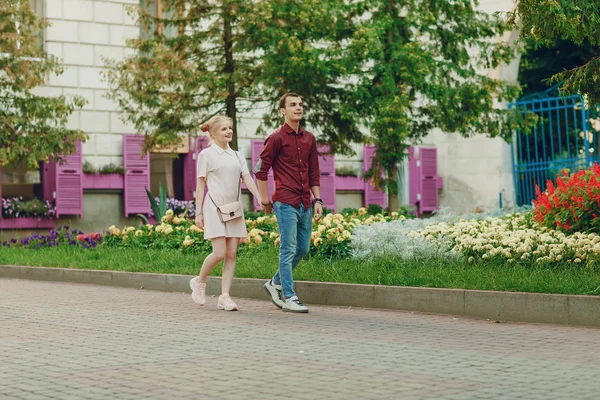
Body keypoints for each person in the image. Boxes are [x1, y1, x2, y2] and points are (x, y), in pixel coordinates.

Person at [255, 92, 323, 313]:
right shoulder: (276, 138)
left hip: (305, 202)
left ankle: (275, 282)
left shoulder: (309, 139)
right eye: (293, 105)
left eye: (301, 104)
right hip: (285, 201)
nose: (298, 107)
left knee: (302, 249)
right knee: (288, 249)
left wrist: (318, 199)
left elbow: (314, 172)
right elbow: (260, 170)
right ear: (283, 111)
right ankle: (289, 296)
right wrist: (264, 199)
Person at [190, 115, 262, 311]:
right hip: (213, 207)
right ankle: (200, 282)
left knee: (231, 253)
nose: (229, 131)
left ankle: (225, 296)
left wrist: (260, 198)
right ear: (213, 133)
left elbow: (247, 178)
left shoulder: (237, 156)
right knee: (219, 252)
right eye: (224, 129)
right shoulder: (207, 155)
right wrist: (198, 213)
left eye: (230, 128)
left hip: (234, 209)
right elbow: (200, 184)